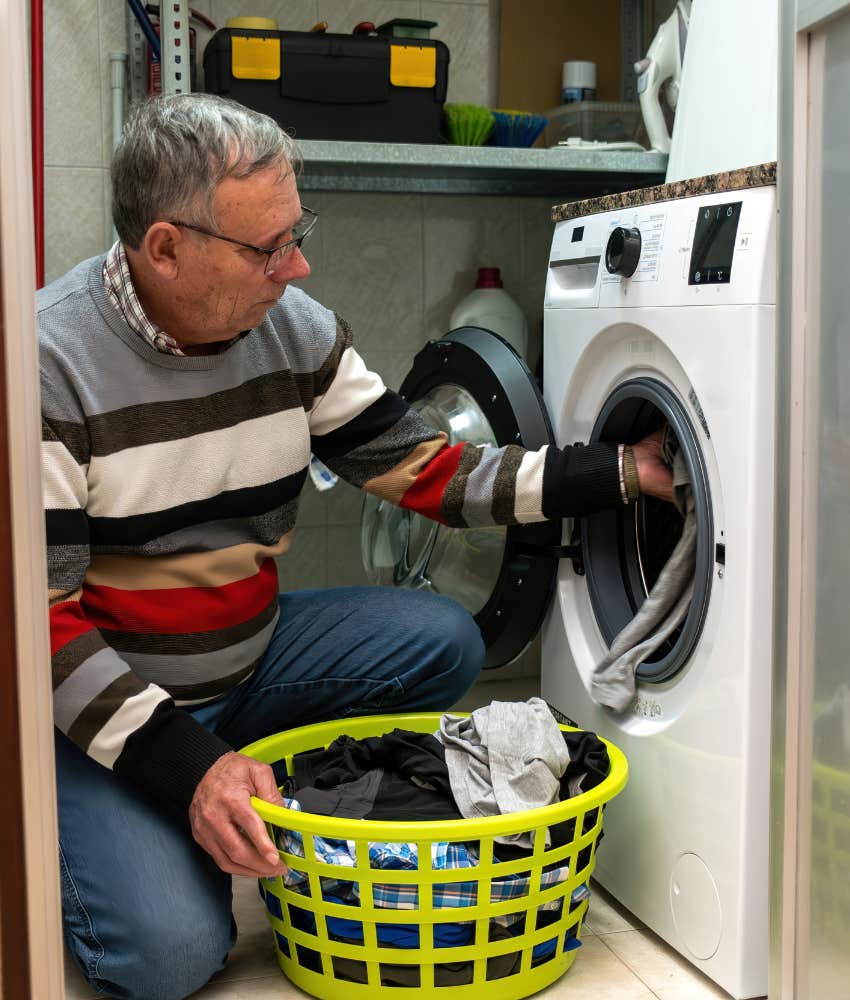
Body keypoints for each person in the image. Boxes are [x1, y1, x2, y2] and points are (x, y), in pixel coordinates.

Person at [40, 93, 673, 1000]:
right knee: (169, 957)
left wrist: (616, 471)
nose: (299, 267)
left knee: (442, 638)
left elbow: (433, 472)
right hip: (105, 690)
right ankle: (150, 793)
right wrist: (188, 768)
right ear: (166, 248)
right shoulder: (47, 364)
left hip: (251, 661)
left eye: (300, 230)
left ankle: (229, 780)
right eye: (268, 248)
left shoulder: (292, 333)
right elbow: (40, 625)